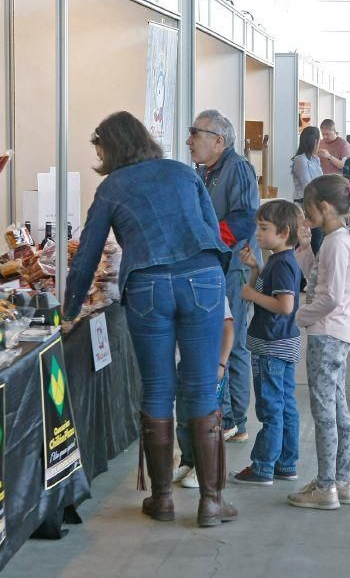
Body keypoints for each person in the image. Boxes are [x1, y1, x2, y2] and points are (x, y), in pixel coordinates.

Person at [64, 111, 236, 527]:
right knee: (200, 388)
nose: (99, 155)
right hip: (203, 280)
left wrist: (68, 312)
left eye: (99, 147)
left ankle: (161, 499)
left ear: (112, 146)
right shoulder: (182, 172)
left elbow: (87, 255)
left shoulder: (111, 188)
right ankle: (211, 502)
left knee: (158, 388)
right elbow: (211, 230)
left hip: (147, 287)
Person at [289, 174, 350, 509]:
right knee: (336, 408)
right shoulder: (334, 241)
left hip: (327, 335)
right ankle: (341, 481)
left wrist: (299, 316)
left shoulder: (338, 242)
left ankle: (327, 486)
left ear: (324, 207)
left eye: (308, 207)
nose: (305, 213)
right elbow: (319, 279)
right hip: (332, 334)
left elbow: (332, 298)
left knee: (324, 411)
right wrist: (303, 247)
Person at [188, 109, 260, 444]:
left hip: (232, 266)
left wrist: (209, 242)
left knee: (234, 341)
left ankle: (235, 419)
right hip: (216, 264)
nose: (190, 141)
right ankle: (229, 415)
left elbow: (244, 219)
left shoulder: (238, 168)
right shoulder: (206, 171)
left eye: (195, 133)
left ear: (218, 141)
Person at [231, 200, 304, 486]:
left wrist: (251, 295)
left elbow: (284, 305)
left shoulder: (283, 264)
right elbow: (266, 288)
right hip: (278, 344)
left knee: (271, 409)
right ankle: (286, 463)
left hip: (272, 347)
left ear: (284, 232)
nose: (258, 234)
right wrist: (253, 268)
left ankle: (263, 467)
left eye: (264, 229)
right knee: (285, 406)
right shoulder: (277, 261)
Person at [172, 297, 235, 489]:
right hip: (185, 363)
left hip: (210, 364)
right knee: (183, 419)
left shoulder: (215, 292)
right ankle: (188, 461)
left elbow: (228, 329)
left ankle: (205, 468)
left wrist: (221, 363)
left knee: (207, 421)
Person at [291, 126, 324, 253]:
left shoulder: (315, 159)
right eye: (318, 142)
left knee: (317, 240)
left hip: (316, 204)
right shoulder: (300, 160)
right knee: (308, 242)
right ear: (314, 141)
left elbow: (321, 180)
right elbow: (307, 185)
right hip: (304, 205)